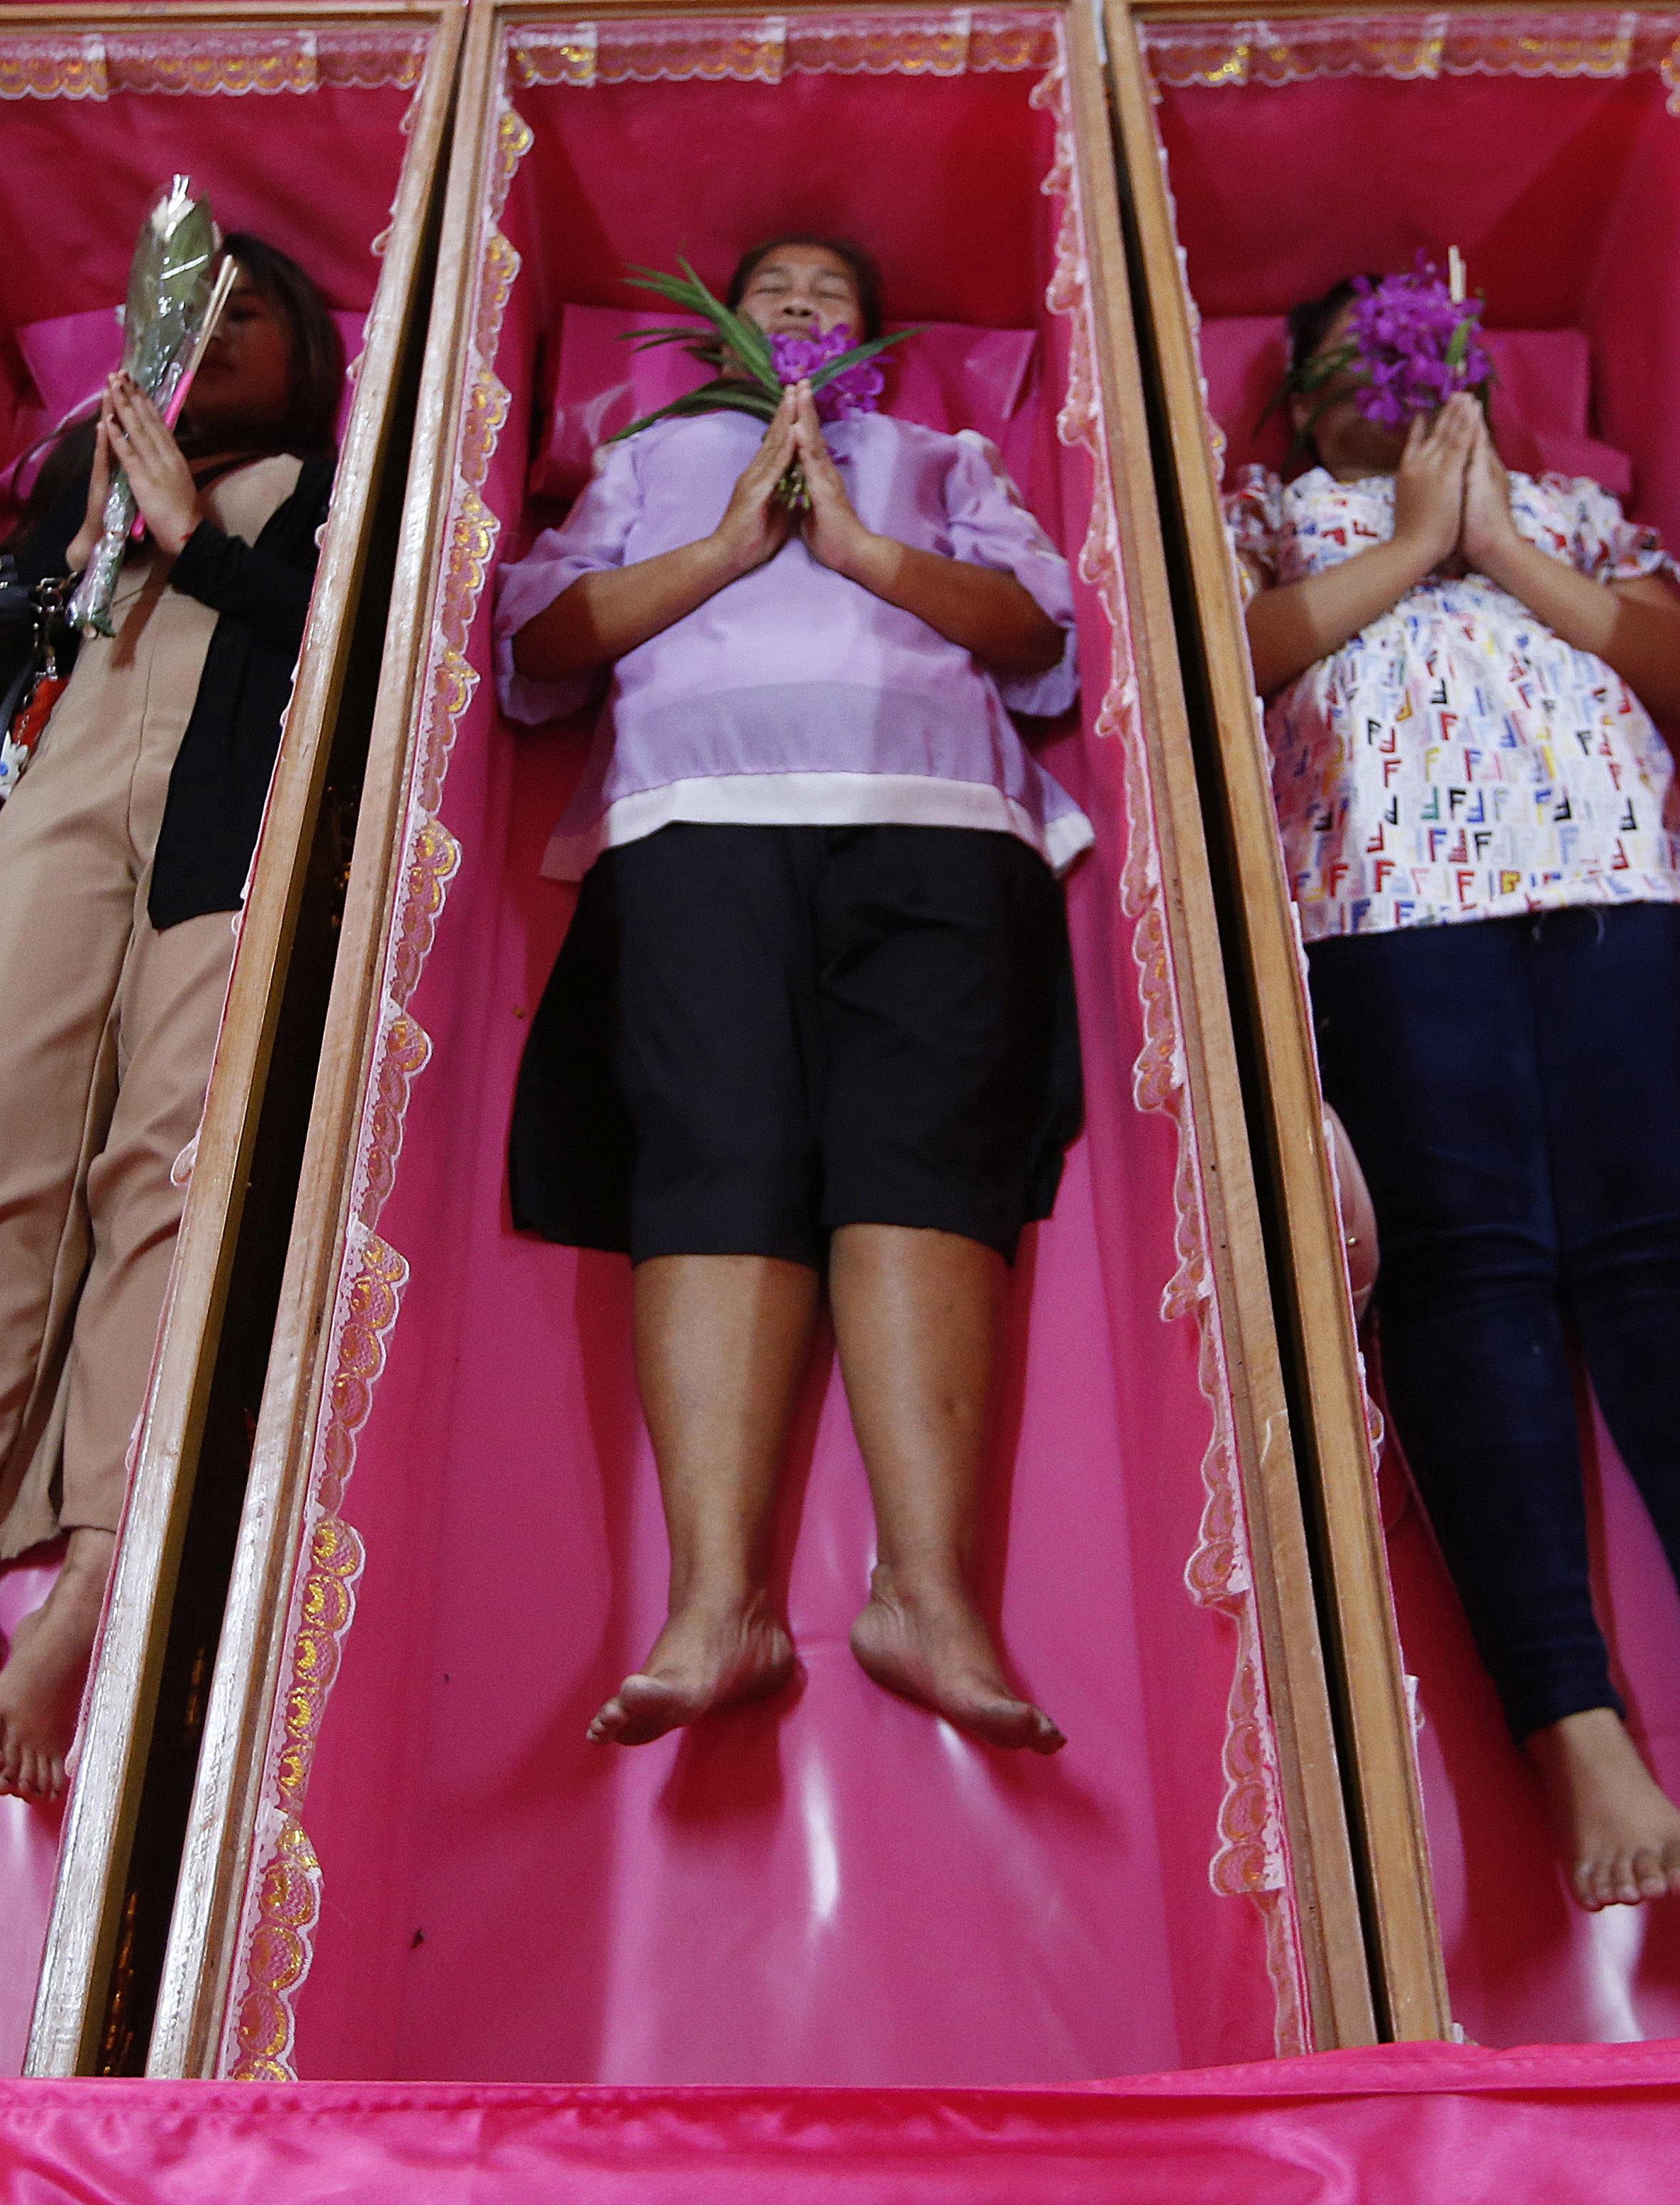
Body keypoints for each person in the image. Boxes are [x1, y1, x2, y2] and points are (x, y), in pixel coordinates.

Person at [1231, 276, 1680, 1920]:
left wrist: (1502, 543)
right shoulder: (1272, 510)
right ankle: (1573, 1724)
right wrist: (1409, 548)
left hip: (1628, 901)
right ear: (1309, 405)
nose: (1400, 388)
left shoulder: (1577, 510)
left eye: (1437, 357)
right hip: (1383, 917)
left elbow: (1679, 674)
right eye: (1356, 369)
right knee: (1463, 1294)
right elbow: (1228, 660)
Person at [0, 235, 347, 1806]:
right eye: (196, 309)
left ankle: (103, 1564)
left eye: (254, 316)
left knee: (172, 1166)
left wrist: (199, 538)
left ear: (306, 358)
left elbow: (359, 662)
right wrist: (86, 540)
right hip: (58, 801)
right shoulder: (71, 481)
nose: (220, 334)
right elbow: (12, 673)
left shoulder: (330, 480)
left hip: (232, 818)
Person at [495, 235, 1083, 1753]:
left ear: (874, 340)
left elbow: (1044, 645)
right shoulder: (645, 463)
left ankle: (930, 1601)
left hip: (940, 824)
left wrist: (863, 551)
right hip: (693, 825)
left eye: (833, 289)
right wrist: (731, 547)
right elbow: (536, 650)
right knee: (716, 1165)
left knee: (926, 1168)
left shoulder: (939, 457)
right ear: (717, 326)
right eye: (773, 287)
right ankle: (719, 1608)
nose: (803, 303)